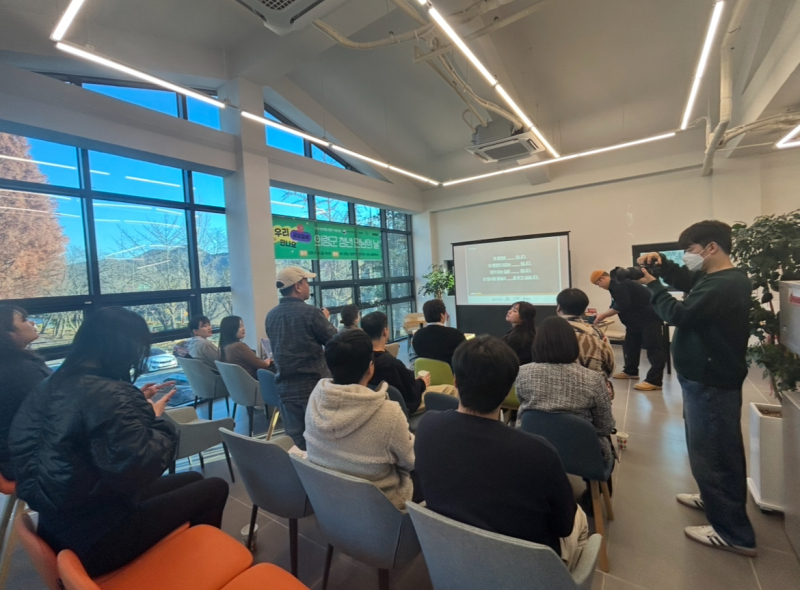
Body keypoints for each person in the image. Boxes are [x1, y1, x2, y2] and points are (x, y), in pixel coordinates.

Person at [9, 307, 229, 577]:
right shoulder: (111, 393)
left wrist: (135, 408)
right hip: (99, 537)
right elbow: (142, 467)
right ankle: (199, 573)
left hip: (59, 521)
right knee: (215, 488)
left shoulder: (52, 383)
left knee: (193, 479)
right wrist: (155, 418)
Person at [414, 336, 588, 571]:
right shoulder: (540, 453)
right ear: (508, 391)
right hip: (521, 569)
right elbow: (563, 526)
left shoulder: (427, 426)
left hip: (451, 554)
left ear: (455, 381)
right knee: (580, 518)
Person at [636, 220, 756, 556]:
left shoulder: (725, 284)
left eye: (689, 250)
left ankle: (733, 533)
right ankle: (712, 497)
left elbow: (680, 314)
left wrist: (653, 286)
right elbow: (688, 280)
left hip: (711, 380)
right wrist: (664, 264)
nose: (688, 256)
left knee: (715, 453)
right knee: (707, 447)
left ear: (711, 247)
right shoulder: (713, 278)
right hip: (703, 377)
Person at [304, 330, 415, 509]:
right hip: (381, 509)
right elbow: (410, 461)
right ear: (371, 368)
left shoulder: (315, 399)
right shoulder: (389, 413)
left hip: (327, 500)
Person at [515, 316, 615, 465]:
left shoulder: (522, 373)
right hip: (583, 454)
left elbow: (522, 406)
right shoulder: (593, 379)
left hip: (532, 447)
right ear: (573, 344)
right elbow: (605, 427)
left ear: (537, 343)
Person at [265, 266, 337, 450]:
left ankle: (301, 468)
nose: (308, 286)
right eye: (306, 282)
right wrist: (324, 319)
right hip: (314, 386)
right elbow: (334, 341)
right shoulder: (311, 313)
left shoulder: (271, 316)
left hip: (285, 388)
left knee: (296, 441)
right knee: (323, 440)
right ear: (297, 286)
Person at [591, 267, 666, 391]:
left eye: (598, 284)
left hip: (649, 318)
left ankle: (655, 381)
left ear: (602, 278)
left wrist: (604, 315)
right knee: (631, 345)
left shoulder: (620, 284)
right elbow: (616, 304)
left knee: (653, 348)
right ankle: (631, 371)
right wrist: (604, 314)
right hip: (635, 322)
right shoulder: (615, 286)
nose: (599, 286)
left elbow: (622, 305)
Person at [362, 311, 449, 415]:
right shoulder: (390, 363)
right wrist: (422, 383)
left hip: (378, 406)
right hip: (403, 407)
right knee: (450, 389)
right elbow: (411, 393)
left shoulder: (362, 358)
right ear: (385, 331)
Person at [0, 306, 51, 481]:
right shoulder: (21, 371)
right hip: (29, 460)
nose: (32, 323)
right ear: (8, 333)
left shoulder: (14, 363)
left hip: (14, 456)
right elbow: (57, 409)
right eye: (24, 320)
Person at [556, 288, 616, 393]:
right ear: (584, 310)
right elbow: (610, 369)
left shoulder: (546, 333)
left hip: (556, 389)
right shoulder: (598, 335)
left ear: (559, 308)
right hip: (592, 392)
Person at [411, 299, 465, 367]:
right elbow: (464, 357)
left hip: (426, 372)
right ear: (442, 315)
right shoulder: (456, 335)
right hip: (450, 373)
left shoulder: (417, 336)